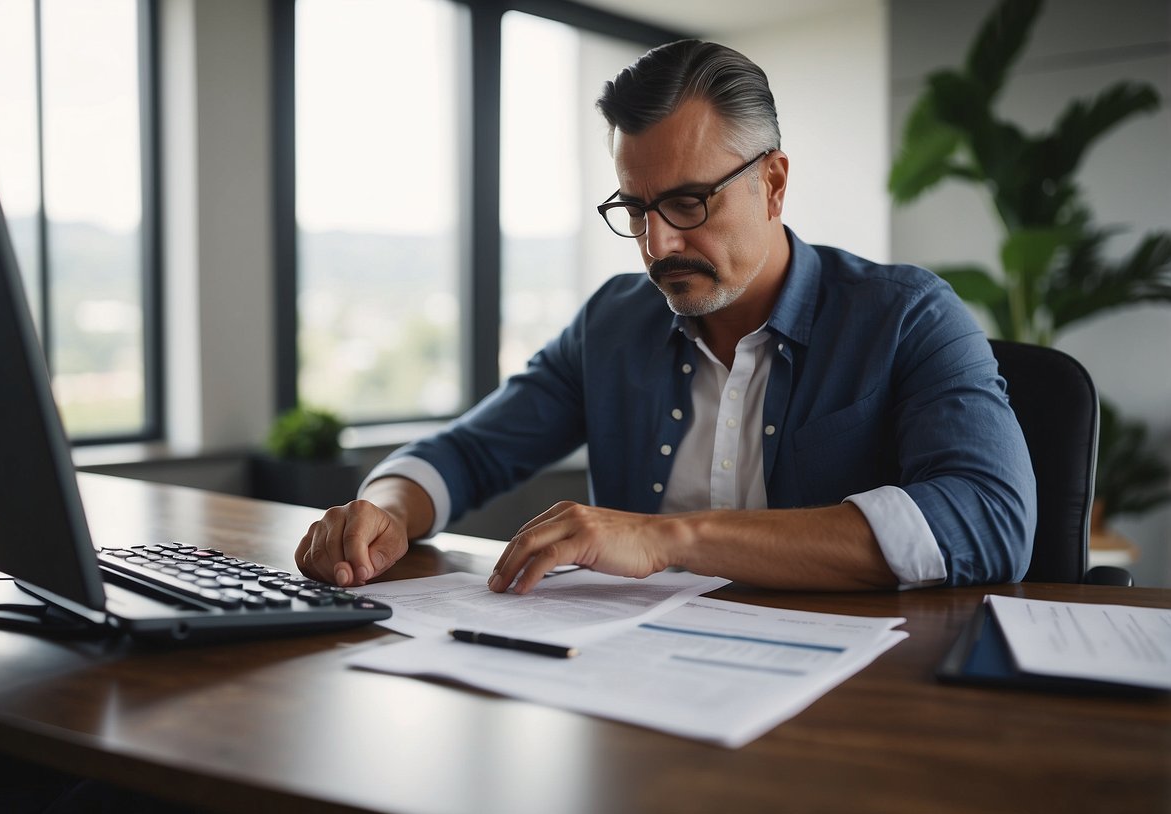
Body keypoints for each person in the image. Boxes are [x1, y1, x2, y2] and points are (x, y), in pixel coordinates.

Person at [295, 39, 1036, 595]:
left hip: (848, 708)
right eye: (635, 208)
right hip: (639, 685)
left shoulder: (907, 315)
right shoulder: (613, 323)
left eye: (688, 202)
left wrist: (667, 540)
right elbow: (469, 453)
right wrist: (383, 511)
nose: (657, 244)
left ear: (772, 184)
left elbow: (986, 518)